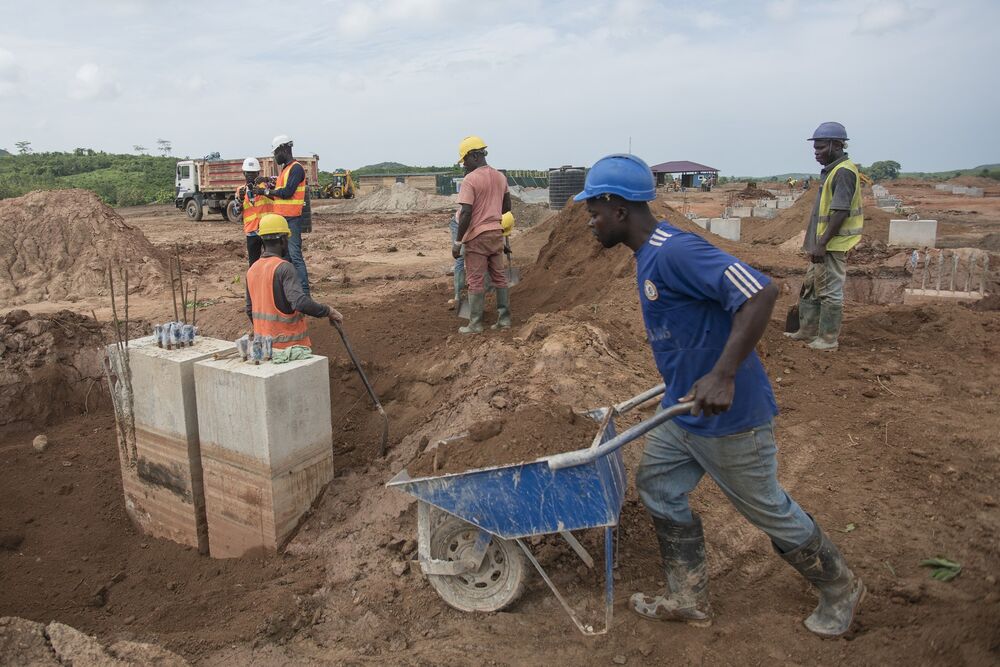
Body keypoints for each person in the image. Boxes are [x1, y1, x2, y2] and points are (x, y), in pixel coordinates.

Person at [575, 153, 864, 638]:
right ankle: (688, 598)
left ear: (619, 210)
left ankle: (840, 587)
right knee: (658, 485)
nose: (589, 222)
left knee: (766, 507)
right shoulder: (648, 256)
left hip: (730, 417)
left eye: (594, 212)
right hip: (684, 410)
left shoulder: (676, 251)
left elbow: (761, 292)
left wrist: (723, 375)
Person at [784, 122, 863, 351]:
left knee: (829, 291)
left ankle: (827, 340)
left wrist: (822, 243)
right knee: (811, 287)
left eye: (820, 148)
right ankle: (807, 331)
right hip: (821, 244)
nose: (816, 153)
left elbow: (840, 212)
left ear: (836, 145)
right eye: (815, 148)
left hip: (831, 245)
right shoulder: (832, 171)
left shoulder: (844, 172)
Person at [246, 214, 342, 348]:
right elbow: (300, 302)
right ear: (283, 240)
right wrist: (328, 311)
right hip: (290, 348)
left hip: (264, 348)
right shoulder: (284, 268)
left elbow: (249, 309)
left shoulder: (252, 270)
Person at [452, 135, 512, 334]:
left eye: (465, 160)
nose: (464, 165)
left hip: (477, 237)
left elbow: (466, 213)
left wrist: (458, 242)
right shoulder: (500, 177)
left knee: (475, 280)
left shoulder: (470, 180)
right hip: (496, 233)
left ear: (475, 156)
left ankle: (475, 324)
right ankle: (504, 320)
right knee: (499, 277)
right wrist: (491, 211)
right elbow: (507, 206)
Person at [257, 135, 311, 296]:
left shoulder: (296, 168)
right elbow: (279, 195)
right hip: (282, 220)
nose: (275, 157)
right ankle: (290, 291)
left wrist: (265, 191)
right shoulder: (285, 170)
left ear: (283, 149)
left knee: (295, 256)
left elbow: (287, 192)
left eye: (276, 153)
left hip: (292, 219)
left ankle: (304, 294)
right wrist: (266, 186)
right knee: (285, 257)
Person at [232, 157, 273, 266]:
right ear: (244, 173)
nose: (250, 175)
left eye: (253, 173)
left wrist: (263, 187)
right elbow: (235, 212)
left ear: (258, 173)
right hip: (251, 231)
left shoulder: (266, 186)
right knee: (253, 263)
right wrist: (240, 201)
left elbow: (278, 192)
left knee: (271, 261)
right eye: (248, 173)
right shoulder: (241, 190)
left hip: (268, 229)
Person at [447, 210, 466, 310]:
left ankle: (485, 293)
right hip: (460, 223)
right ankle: (458, 295)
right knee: (460, 256)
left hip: (477, 225)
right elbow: (466, 213)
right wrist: (458, 243)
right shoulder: (468, 208)